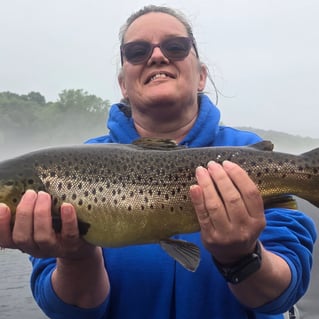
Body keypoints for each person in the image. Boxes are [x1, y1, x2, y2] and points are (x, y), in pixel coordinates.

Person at [0, 5, 316, 319]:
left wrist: (241, 257)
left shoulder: (245, 155)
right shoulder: (75, 164)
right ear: (123, 84)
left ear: (202, 76)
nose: (157, 56)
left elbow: (282, 293)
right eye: (137, 51)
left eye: (175, 46)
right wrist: (76, 257)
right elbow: (73, 312)